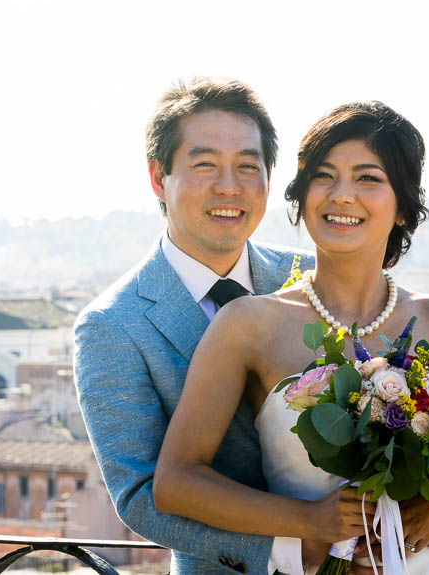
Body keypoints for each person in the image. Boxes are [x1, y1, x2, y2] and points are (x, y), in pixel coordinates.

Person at [153, 101, 429, 573]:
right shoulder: (246, 324)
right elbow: (175, 483)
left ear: (403, 206)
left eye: (368, 178)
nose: (341, 195)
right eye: (324, 176)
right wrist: (312, 521)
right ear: (301, 197)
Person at [75, 77, 344, 574]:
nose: (230, 186)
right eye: (205, 165)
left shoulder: (314, 279)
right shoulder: (112, 326)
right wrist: (290, 549)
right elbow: (139, 494)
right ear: (159, 178)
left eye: (248, 166)